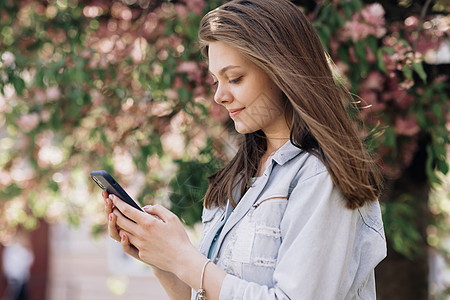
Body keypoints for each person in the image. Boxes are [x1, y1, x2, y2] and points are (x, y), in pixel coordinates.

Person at [103, 0, 387, 299]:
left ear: (281, 70)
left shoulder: (319, 176)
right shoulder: (237, 179)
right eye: (216, 81)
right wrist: (161, 258)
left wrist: (181, 257)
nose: (219, 96)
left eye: (235, 78)